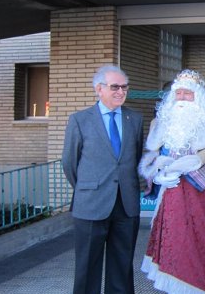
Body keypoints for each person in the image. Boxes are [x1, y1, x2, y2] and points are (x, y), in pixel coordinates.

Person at [138, 69, 205, 293]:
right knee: (172, 246)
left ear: (198, 97)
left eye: (188, 94)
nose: (182, 98)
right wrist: (158, 176)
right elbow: (149, 157)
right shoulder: (160, 123)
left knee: (196, 248)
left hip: (199, 199)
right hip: (169, 198)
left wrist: (195, 162)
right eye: (178, 93)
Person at [62, 65, 143, 294]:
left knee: (122, 266)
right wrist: (88, 188)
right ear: (99, 89)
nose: (120, 91)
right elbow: (70, 162)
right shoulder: (80, 120)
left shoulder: (134, 119)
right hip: (91, 205)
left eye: (124, 87)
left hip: (126, 206)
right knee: (88, 268)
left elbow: (134, 157)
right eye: (115, 87)